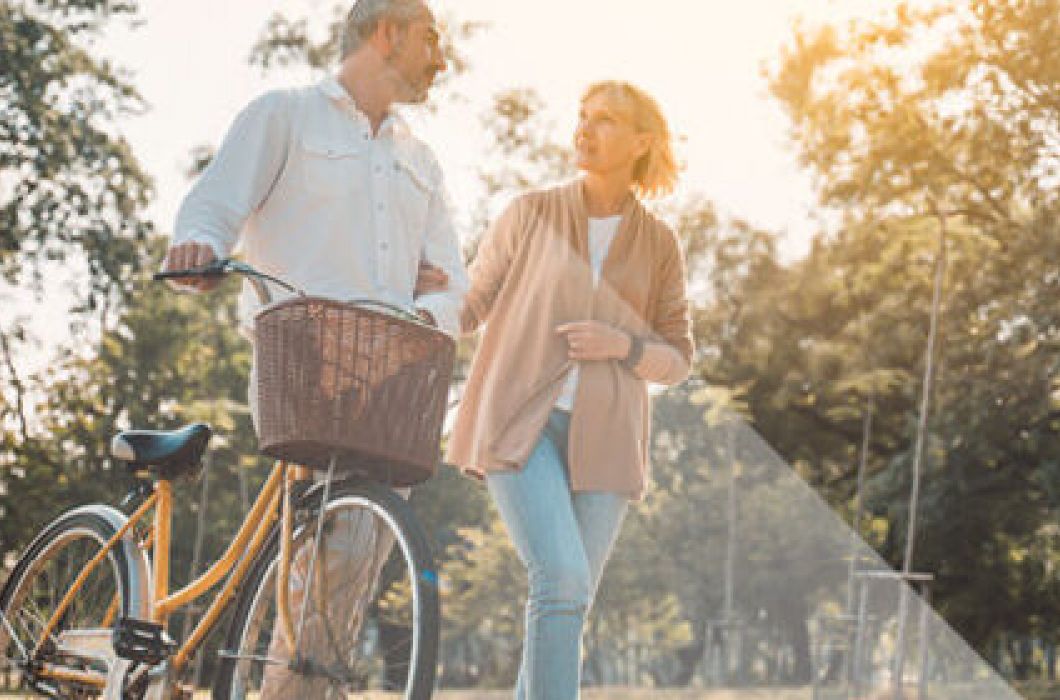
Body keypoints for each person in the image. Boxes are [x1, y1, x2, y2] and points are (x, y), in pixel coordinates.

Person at [161, 0, 467, 695]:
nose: (440, 58)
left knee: (346, 567)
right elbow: (214, 205)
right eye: (430, 39)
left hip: (390, 389)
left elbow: (458, 284)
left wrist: (424, 308)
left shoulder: (422, 160)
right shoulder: (285, 115)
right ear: (386, 32)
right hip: (302, 371)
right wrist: (199, 249)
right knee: (324, 569)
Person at [446, 80, 694, 699]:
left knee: (568, 598)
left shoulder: (660, 244)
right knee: (559, 579)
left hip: (607, 444)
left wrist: (625, 347)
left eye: (604, 121)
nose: (584, 130)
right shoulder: (529, 212)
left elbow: (679, 359)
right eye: (581, 117)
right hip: (519, 423)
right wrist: (419, 307)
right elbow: (472, 302)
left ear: (642, 142)